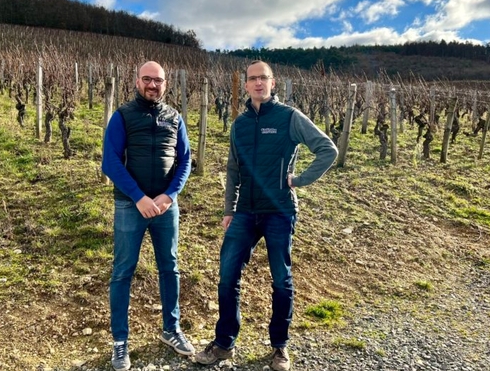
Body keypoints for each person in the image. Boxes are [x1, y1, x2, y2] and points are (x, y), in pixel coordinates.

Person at [196, 60, 338, 371]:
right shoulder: (240, 124)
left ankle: (280, 347)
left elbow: (327, 149)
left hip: (279, 211)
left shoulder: (289, 117)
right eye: (252, 79)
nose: (258, 83)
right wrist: (229, 209)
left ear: (273, 83)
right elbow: (233, 169)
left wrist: (298, 180)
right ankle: (223, 344)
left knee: (281, 280)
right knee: (227, 276)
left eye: (264, 78)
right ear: (245, 85)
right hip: (245, 211)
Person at [101, 60, 195, 371]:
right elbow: (110, 163)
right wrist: (139, 197)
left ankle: (171, 330)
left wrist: (170, 195)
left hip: (166, 207)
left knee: (170, 267)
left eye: (158, 80)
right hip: (131, 206)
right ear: (137, 81)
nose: (152, 85)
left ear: (165, 84)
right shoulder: (122, 116)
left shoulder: (174, 117)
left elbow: (185, 160)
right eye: (147, 79)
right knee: (123, 271)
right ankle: (120, 342)